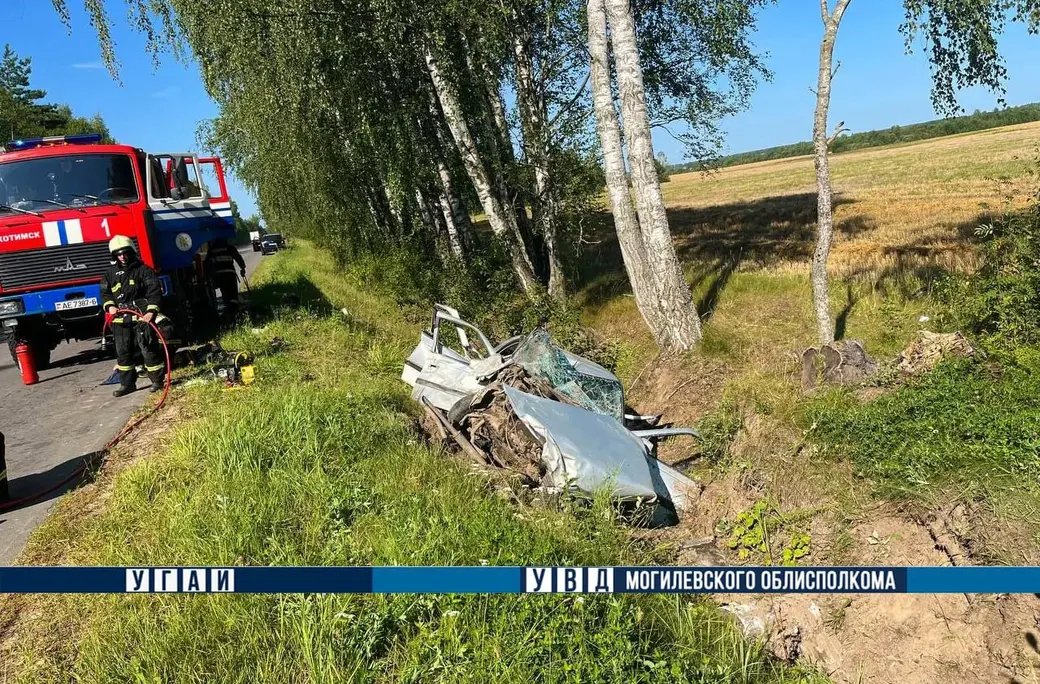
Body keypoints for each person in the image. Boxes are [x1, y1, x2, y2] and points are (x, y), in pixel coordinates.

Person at [100, 236, 166, 397]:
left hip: (142, 318)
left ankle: (157, 381)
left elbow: (154, 292)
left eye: (125, 253)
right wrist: (110, 306)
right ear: (114, 256)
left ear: (131, 252)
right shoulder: (109, 274)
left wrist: (151, 312)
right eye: (118, 254)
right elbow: (105, 293)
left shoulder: (143, 270)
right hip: (120, 320)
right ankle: (127, 384)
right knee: (123, 353)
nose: (122, 256)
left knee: (148, 348)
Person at [205, 238, 247, 316]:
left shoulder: (211, 250)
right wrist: (242, 268)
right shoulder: (230, 247)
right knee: (233, 294)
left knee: (225, 294)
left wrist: (209, 277)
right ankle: (235, 312)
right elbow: (238, 257)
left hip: (219, 276)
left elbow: (207, 264)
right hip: (230, 274)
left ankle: (229, 311)